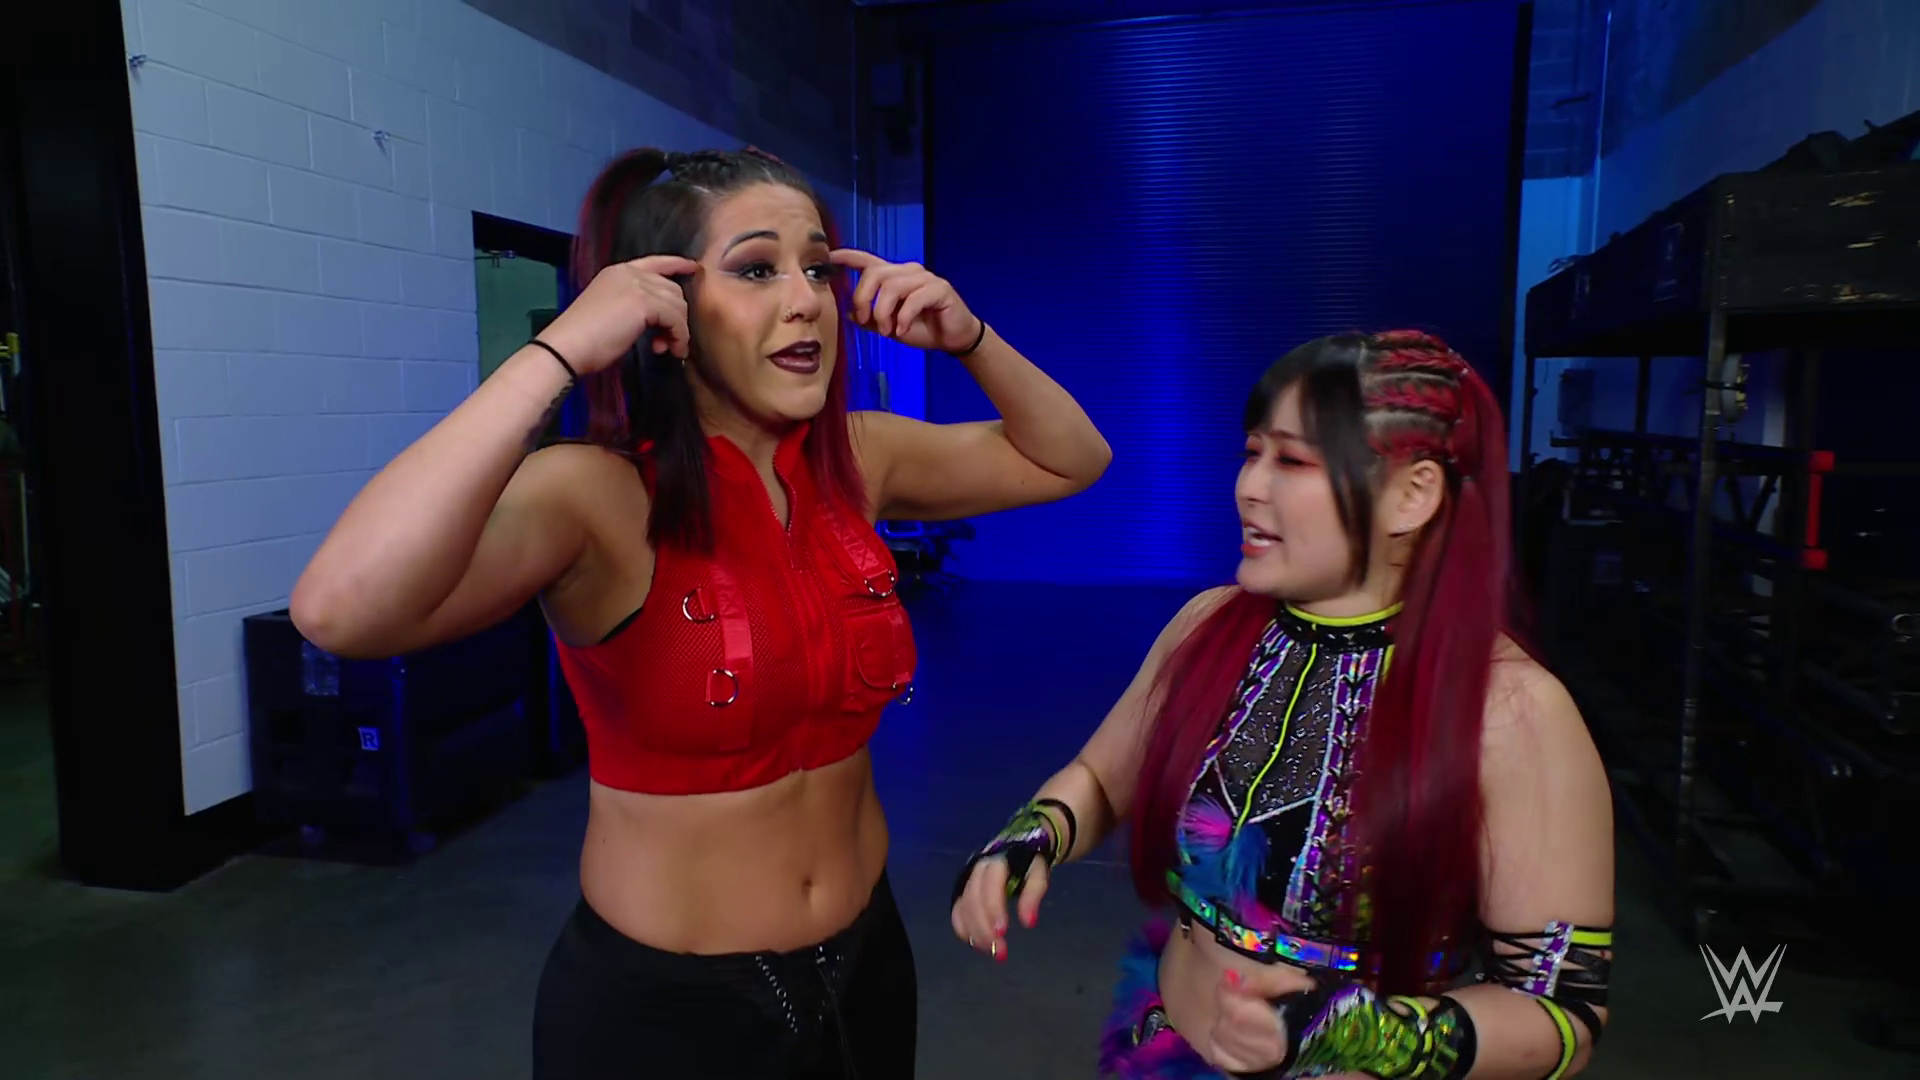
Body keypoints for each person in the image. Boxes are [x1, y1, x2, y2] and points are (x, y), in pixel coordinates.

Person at [289, 145, 1112, 1079]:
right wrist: (557, 354)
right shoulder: (594, 496)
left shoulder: (856, 460)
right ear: (665, 308)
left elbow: (1071, 458)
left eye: (817, 268)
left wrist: (971, 339)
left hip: (867, 967)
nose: (804, 300)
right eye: (757, 269)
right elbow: (338, 611)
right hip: (670, 1015)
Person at [949, 330, 1614, 1079]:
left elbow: (1563, 1011)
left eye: (1292, 462)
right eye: (1251, 452)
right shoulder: (1205, 626)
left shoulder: (1513, 709)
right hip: (1161, 1049)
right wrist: (1029, 838)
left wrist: (1362, 1034)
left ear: (1412, 494)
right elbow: (1103, 779)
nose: (1249, 486)